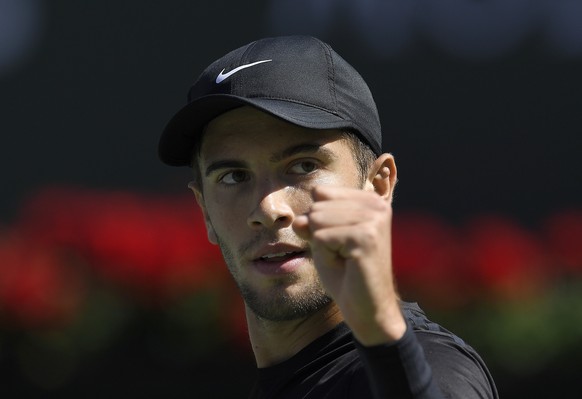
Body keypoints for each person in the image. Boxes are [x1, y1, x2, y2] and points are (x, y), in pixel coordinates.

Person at [158, 35, 498, 398]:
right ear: (205, 210)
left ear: (378, 187)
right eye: (234, 177)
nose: (269, 209)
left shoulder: (437, 370)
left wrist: (381, 330)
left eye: (303, 166)